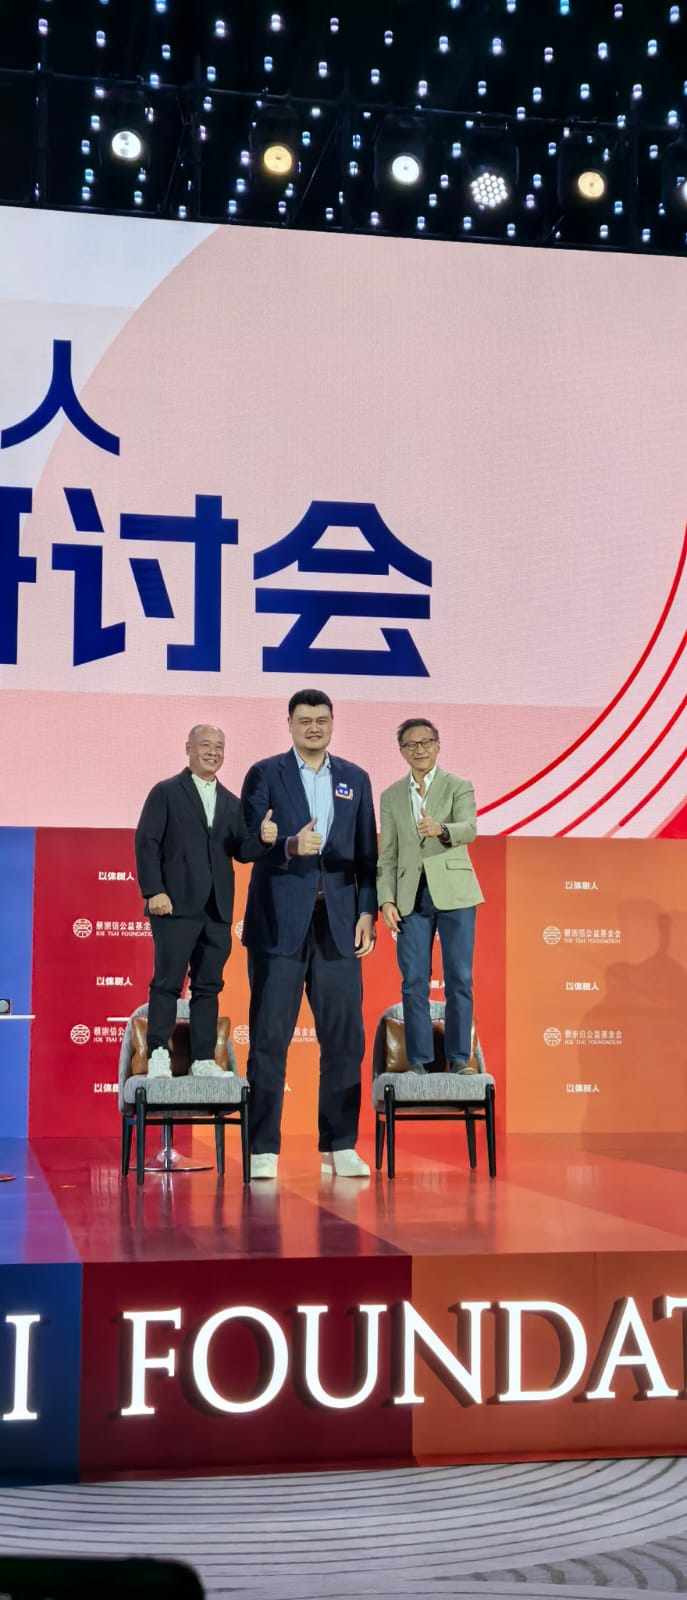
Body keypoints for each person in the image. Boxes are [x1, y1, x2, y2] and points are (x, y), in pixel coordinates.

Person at [241, 690, 377, 1179]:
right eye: (304, 721)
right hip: (279, 923)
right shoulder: (264, 774)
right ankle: (262, 1150)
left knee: (345, 1040)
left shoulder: (355, 779)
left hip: (339, 926)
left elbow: (367, 858)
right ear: (290, 725)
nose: (313, 727)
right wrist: (289, 845)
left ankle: (339, 1144)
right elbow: (249, 842)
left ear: (333, 723)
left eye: (321, 720)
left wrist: (367, 913)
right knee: (269, 1038)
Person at [135, 725, 277, 1078]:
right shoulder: (166, 792)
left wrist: (263, 838)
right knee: (168, 982)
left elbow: (242, 851)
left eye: (219, 746)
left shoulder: (232, 802)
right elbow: (147, 842)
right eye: (205, 745)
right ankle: (157, 1055)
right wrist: (154, 891)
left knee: (208, 986)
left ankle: (201, 1059)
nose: (213, 752)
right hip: (175, 906)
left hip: (216, 910)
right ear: (188, 748)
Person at [377, 718, 483, 1073]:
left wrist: (442, 829)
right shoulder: (391, 795)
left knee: (459, 978)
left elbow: (469, 829)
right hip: (410, 897)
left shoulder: (458, 786)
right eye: (411, 744)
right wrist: (386, 900)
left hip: (455, 894)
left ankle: (458, 1059)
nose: (419, 749)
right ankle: (419, 1061)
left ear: (438, 745)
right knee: (414, 981)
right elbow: (387, 853)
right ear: (401, 751)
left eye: (426, 742)